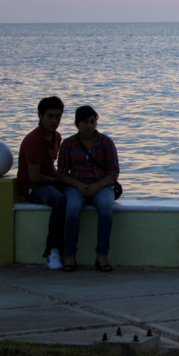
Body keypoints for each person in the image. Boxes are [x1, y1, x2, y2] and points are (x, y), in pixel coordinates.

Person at [58, 105, 120, 272]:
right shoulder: (68, 144)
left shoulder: (106, 143)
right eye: (85, 122)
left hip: (101, 186)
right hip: (76, 186)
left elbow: (113, 171)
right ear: (77, 124)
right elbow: (62, 173)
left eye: (93, 122)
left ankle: (101, 255)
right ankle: (70, 255)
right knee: (72, 209)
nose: (89, 126)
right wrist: (78, 185)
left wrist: (98, 185)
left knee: (106, 209)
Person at [16, 96, 67, 270]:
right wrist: (56, 180)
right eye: (50, 116)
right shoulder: (33, 141)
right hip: (33, 188)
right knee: (59, 201)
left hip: (48, 182)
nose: (55, 121)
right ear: (40, 116)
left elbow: (50, 166)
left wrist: (63, 179)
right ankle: (52, 250)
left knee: (77, 192)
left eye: (58, 116)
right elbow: (34, 177)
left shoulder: (57, 137)